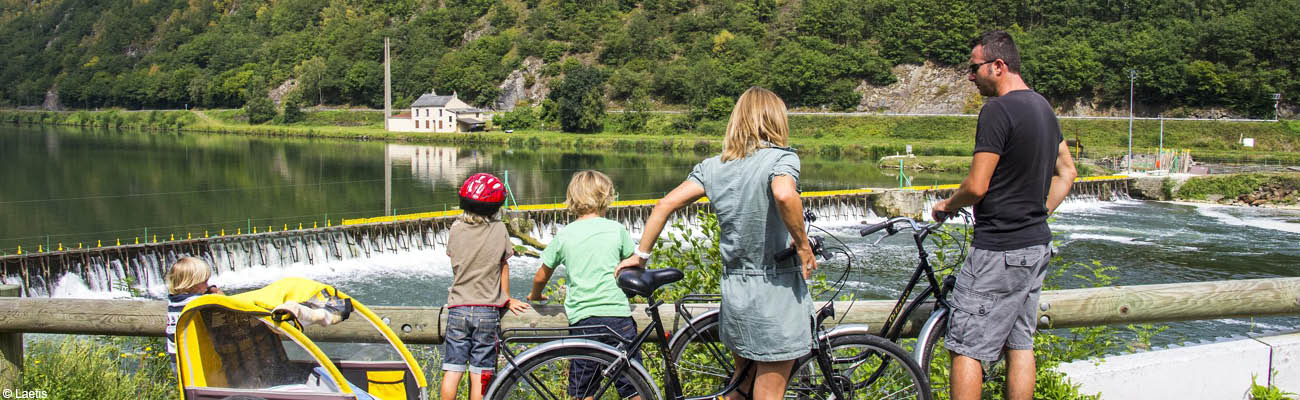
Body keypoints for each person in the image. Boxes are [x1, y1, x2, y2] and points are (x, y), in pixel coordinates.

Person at [616, 87, 816, 400]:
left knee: (739, 388)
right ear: (776, 120)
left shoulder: (713, 167)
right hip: (774, 293)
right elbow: (784, 194)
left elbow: (664, 204)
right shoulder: (781, 159)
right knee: (768, 390)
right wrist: (803, 246)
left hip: (735, 291)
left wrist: (640, 256)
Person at [930, 30, 1077, 400]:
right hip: (1036, 244)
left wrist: (947, 205)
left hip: (998, 250)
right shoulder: (1043, 107)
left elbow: (977, 186)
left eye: (974, 67)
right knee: (1020, 344)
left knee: (966, 346)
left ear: (998, 66)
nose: (969, 75)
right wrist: (1040, 211)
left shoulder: (997, 110)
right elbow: (1068, 171)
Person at [527, 170, 643, 400]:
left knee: (583, 389)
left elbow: (541, 275)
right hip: (618, 316)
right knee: (632, 385)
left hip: (583, 320)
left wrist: (535, 295)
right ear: (606, 196)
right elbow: (635, 266)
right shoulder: (617, 229)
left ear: (572, 198)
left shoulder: (565, 234)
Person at [441, 173, 530, 400]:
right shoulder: (499, 229)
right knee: (481, 372)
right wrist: (507, 298)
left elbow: (454, 259)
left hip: (457, 308)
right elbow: (504, 265)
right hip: (487, 310)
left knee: (452, 369)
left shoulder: (455, 228)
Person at [166, 256, 222, 365]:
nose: (207, 286)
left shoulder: (173, 301)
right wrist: (215, 291)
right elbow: (223, 301)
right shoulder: (198, 302)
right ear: (190, 283)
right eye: (204, 282)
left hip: (176, 358)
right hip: (193, 359)